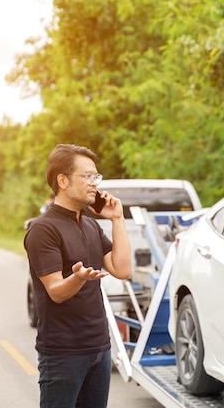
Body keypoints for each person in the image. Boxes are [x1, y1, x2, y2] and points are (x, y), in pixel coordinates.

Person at [24, 144, 132, 408]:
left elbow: (122, 269)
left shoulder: (90, 224)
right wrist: (78, 278)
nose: (94, 183)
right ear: (63, 180)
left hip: (99, 348)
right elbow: (56, 291)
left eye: (96, 176)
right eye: (87, 176)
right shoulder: (43, 229)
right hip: (62, 354)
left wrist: (117, 219)